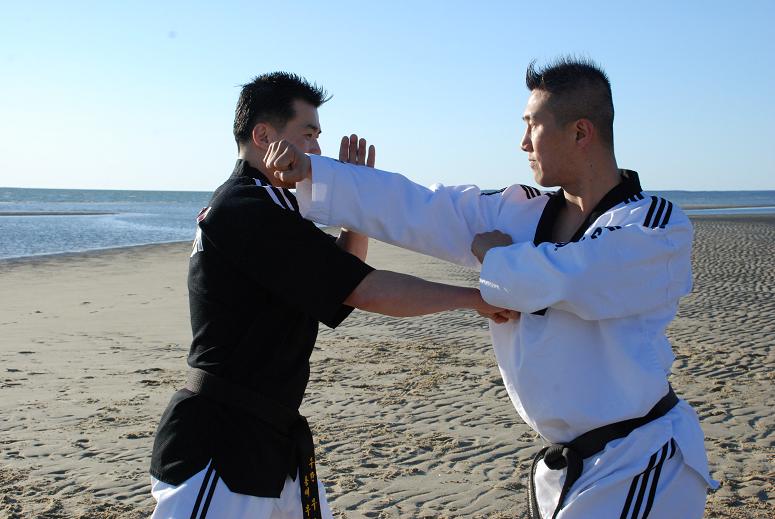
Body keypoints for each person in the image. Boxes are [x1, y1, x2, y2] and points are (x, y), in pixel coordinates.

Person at [266, 58, 718, 518]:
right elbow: (424, 207)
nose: (523, 142)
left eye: (532, 125)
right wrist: (315, 172)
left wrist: (496, 256)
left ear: (581, 132)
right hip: (570, 468)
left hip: (640, 461)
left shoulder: (655, 225)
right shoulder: (518, 212)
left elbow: (577, 276)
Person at [148, 72, 514, 519]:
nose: (317, 150)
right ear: (263, 136)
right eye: (308, 135)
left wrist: (353, 204)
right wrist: (475, 298)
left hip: (272, 439)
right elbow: (366, 289)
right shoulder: (244, 208)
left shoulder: (275, 206)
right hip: (221, 447)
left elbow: (344, 272)